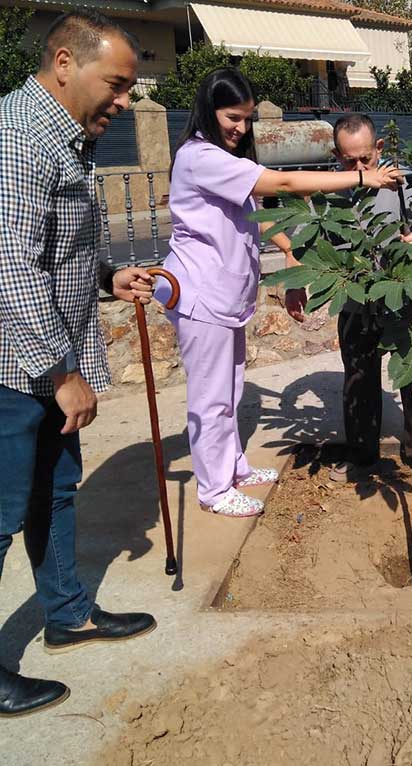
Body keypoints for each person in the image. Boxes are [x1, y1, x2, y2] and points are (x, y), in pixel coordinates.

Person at [0, 10, 159, 717]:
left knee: (55, 493)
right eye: (118, 84)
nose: (125, 101)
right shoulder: (15, 138)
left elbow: (54, 244)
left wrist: (105, 278)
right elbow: (9, 267)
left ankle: (67, 616)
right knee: (0, 516)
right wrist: (61, 373)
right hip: (14, 369)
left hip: (46, 362)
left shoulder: (63, 139)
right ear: (65, 63)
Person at [154, 72, 400, 518]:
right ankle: (213, 489)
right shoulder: (199, 157)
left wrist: (294, 261)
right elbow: (284, 186)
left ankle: (233, 468)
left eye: (247, 120)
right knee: (210, 398)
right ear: (208, 111)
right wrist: (360, 179)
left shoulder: (223, 159)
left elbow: (258, 222)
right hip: (199, 295)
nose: (241, 129)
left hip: (224, 298)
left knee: (228, 391)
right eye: (233, 117)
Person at [285, 114, 412, 484]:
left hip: (404, 300)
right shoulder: (329, 190)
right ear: (335, 155)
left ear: (380, 150)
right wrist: (293, 282)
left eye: (365, 160)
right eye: (348, 160)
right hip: (356, 303)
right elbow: (300, 241)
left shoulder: (404, 187)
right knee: (359, 380)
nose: (357, 168)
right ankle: (362, 456)